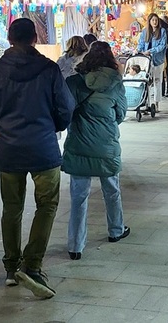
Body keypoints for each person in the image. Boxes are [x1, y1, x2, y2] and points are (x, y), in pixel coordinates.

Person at [0, 18, 75, 299]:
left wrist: (6, 127)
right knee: (47, 205)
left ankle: (11, 267)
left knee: (12, 207)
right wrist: (51, 126)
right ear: (34, 38)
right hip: (43, 148)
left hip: (10, 150)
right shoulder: (49, 69)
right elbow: (65, 109)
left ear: (8, 38)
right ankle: (32, 265)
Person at [63, 41, 129, 260]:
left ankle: (75, 245)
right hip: (106, 145)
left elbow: (65, 112)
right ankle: (116, 230)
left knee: (78, 196)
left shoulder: (73, 82)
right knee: (112, 190)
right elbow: (120, 114)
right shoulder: (115, 83)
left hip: (79, 143)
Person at [136, 14, 167, 110]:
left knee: (157, 81)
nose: (154, 22)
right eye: (153, 20)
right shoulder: (145, 32)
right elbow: (141, 44)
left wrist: (151, 51)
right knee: (146, 82)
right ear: (149, 21)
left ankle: (156, 103)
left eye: (156, 20)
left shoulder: (162, 32)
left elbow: (162, 46)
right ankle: (146, 102)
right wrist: (138, 51)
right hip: (146, 61)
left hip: (157, 60)